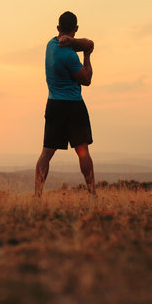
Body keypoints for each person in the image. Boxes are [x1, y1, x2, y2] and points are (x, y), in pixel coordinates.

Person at [35, 11, 96, 197]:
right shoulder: (70, 57)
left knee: (46, 153)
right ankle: (92, 195)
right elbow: (86, 80)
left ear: (58, 28)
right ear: (76, 29)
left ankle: (37, 196)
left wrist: (74, 42)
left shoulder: (50, 45)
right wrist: (87, 56)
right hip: (73, 105)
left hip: (54, 104)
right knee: (83, 151)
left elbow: (89, 42)